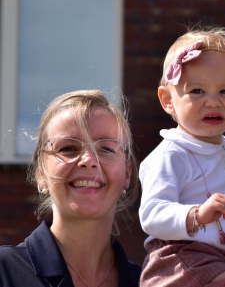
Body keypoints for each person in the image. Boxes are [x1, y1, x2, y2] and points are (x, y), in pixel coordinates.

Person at [139, 28, 225, 287]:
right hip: (179, 256)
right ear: (168, 100)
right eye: (198, 91)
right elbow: (151, 214)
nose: (213, 102)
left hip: (222, 259)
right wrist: (197, 214)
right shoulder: (171, 154)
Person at [0, 90, 141, 287]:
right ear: (41, 172)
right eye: (68, 148)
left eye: (106, 149)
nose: (89, 160)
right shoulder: (4, 271)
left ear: (127, 173)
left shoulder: (153, 281)